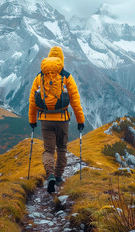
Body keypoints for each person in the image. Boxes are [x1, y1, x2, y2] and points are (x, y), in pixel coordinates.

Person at [28, 46, 85, 193]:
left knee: (48, 150)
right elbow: (75, 101)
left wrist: (32, 120)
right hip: (62, 120)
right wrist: (80, 120)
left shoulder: (40, 77)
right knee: (61, 149)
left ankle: (50, 174)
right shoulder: (66, 76)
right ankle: (59, 177)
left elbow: (33, 101)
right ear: (62, 60)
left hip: (45, 120)